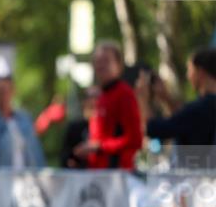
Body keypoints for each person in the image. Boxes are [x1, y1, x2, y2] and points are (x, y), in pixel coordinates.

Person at [74, 41, 143, 169]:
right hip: (98, 174)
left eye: (106, 61)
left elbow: (135, 139)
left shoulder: (124, 94)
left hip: (116, 175)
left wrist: (99, 147)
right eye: (97, 61)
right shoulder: (100, 96)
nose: (100, 66)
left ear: (118, 64)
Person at [145, 47, 216, 169]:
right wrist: (166, 98)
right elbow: (185, 120)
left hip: (197, 181)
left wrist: (142, 98)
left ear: (200, 72)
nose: (188, 76)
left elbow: (153, 129)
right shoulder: (203, 106)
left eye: (189, 69)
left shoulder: (201, 108)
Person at [0, 76, 45, 170]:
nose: (3, 96)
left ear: (13, 92)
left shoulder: (24, 120)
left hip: (26, 180)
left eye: (6, 91)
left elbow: (36, 154)